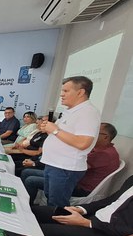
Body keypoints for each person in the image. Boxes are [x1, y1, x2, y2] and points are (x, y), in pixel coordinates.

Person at [32, 174, 133, 236]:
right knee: (37, 212)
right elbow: (109, 201)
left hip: (107, 232)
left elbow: (127, 231)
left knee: (42, 231)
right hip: (93, 217)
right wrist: (81, 209)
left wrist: (87, 223)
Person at [22, 123, 121, 205]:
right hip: (71, 178)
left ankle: (27, 206)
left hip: (78, 186)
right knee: (27, 172)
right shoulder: (98, 149)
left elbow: (74, 167)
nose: (91, 136)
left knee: (30, 180)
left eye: (95, 133)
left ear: (106, 137)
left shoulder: (104, 154)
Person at [39, 76, 101, 206]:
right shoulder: (71, 111)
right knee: (50, 199)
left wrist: (55, 130)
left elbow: (83, 143)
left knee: (57, 204)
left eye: (66, 91)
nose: (61, 94)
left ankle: (53, 226)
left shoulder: (87, 112)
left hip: (65, 167)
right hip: (54, 163)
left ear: (80, 92)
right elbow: (63, 135)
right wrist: (49, 129)